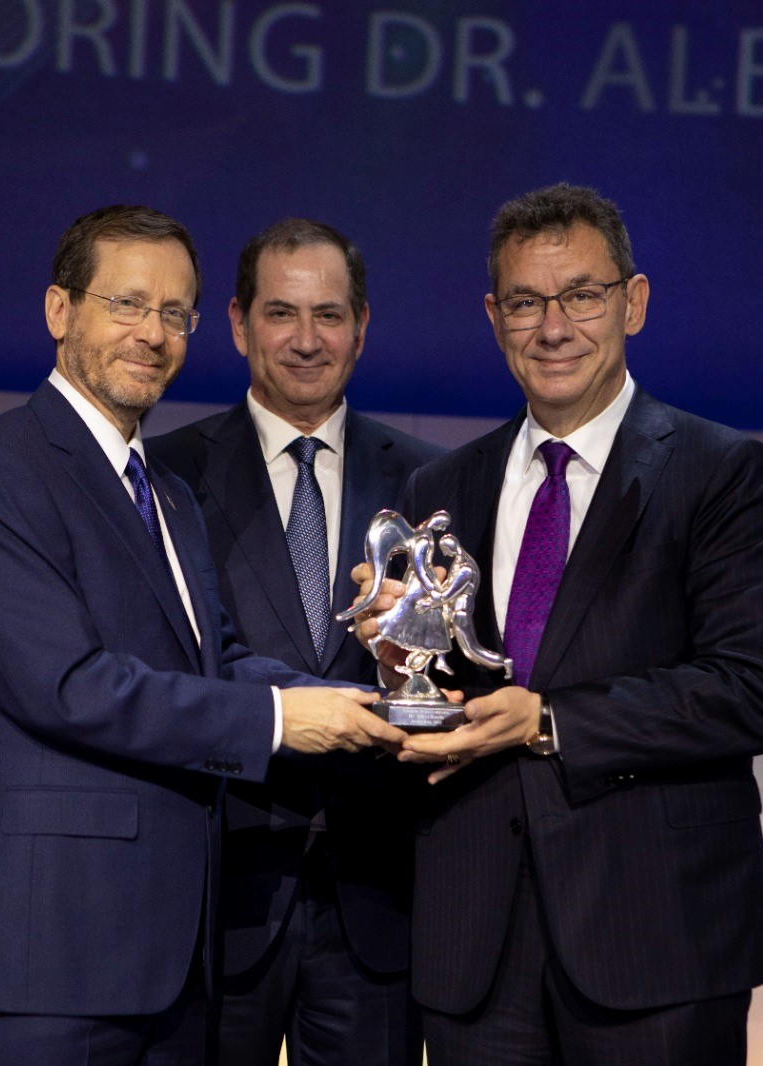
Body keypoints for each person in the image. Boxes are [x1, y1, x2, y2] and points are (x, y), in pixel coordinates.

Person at [0, 204, 404, 1066]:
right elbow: (67, 686)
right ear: (61, 312)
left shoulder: (161, 490)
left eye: (174, 314)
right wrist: (287, 725)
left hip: (169, 957)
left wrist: (367, 700)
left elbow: (219, 657)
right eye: (127, 305)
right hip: (49, 949)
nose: (153, 333)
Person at [352, 184, 763, 1064]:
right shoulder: (437, 492)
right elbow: (436, 693)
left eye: (582, 296)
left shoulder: (718, 473)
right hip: (477, 936)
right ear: (493, 316)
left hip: (657, 936)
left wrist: (550, 720)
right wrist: (393, 655)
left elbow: (753, 692)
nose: (553, 328)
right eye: (525, 302)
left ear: (632, 302)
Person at [149, 218, 441, 1066]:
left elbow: (459, 670)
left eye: (330, 316)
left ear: (362, 327)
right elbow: (166, 664)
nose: (307, 342)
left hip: (379, 903)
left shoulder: (432, 480)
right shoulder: (164, 475)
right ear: (239, 324)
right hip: (215, 894)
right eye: (282, 314)